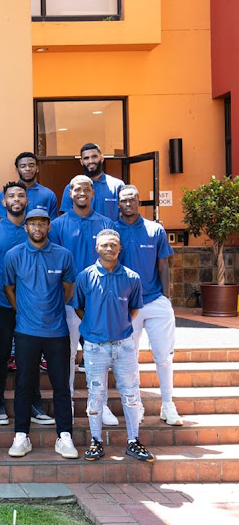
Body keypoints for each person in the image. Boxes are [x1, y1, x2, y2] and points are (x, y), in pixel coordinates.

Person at [73, 229, 155, 463]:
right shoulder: (85, 277)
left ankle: (133, 441)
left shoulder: (132, 277)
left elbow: (134, 308)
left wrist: (117, 324)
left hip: (124, 345)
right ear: (96, 248)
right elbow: (79, 307)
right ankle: (96, 441)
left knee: (131, 394)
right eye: (104, 245)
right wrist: (95, 324)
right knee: (96, 395)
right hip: (95, 347)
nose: (109, 249)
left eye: (113, 245)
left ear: (120, 248)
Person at [4, 208, 78, 460]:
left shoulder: (63, 255)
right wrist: (23, 310)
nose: (37, 228)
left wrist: (52, 309)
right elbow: (9, 288)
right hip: (26, 331)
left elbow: (68, 289)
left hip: (57, 331)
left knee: (61, 385)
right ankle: (21, 436)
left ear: (49, 227)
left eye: (42, 224)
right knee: (24, 384)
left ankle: (65, 436)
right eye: (32, 223)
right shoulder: (14, 255)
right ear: (26, 228)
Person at [0, 182, 53, 427]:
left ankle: (35, 403)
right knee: (0, 356)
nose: (16, 199)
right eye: (11, 196)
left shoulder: (33, 229)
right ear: (4, 202)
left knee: (30, 357)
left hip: (31, 306)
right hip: (1, 304)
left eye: (20, 195)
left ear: (27, 201)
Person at [49, 175, 117, 425]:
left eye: (87, 189)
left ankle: (101, 406)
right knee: (67, 355)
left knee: (98, 356)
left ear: (93, 194)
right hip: (68, 303)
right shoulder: (57, 226)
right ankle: (65, 404)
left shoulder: (106, 224)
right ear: (69, 193)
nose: (82, 193)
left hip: (99, 303)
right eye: (77, 189)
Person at [114, 185, 183, 426]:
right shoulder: (111, 231)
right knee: (128, 358)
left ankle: (168, 404)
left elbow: (163, 266)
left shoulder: (155, 230)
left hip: (155, 301)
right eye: (124, 200)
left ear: (139, 202)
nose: (128, 204)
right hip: (126, 306)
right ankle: (136, 405)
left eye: (132, 199)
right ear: (118, 204)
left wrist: (166, 298)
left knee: (164, 356)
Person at [60, 143, 124, 220]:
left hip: (109, 231)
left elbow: (123, 217)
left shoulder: (117, 186)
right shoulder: (71, 188)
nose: (91, 161)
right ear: (81, 161)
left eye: (94, 157)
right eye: (86, 158)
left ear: (102, 158)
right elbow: (66, 220)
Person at [0, 152, 58, 219]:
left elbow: (52, 224)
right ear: (17, 170)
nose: (27, 169)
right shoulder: (6, 194)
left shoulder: (48, 195)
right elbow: (2, 222)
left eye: (31, 165)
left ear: (37, 168)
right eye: (23, 166)